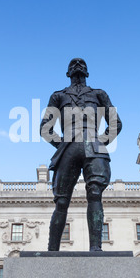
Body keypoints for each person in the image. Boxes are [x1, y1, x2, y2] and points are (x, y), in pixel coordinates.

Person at [40, 58, 122, 251]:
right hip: (68, 146)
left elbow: (116, 123)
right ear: (68, 73)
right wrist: (61, 145)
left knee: (95, 193)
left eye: (81, 65)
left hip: (94, 144)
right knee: (61, 201)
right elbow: (45, 128)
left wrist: (100, 141)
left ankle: (96, 248)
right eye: (73, 65)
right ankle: (52, 250)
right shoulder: (57, 96)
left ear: (87, 72)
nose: (77, 66)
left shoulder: (99, 94)